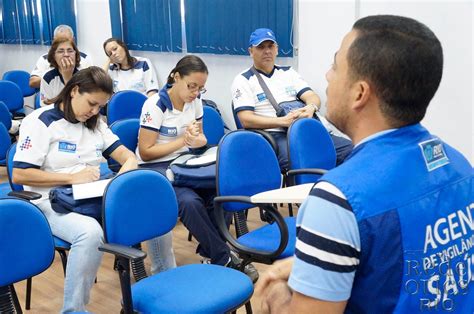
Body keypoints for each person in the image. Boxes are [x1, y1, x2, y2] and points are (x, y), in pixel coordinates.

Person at [255, 15, 473, 313]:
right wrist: (318, 266)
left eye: (335, 66)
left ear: (359, 93)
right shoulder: (458, 165)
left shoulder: (337, 200)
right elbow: (405, 261)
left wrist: (279, 296)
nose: (328, 76)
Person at [12, 67, 175, 312]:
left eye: (100, 106)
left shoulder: (95, 123)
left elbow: (128, 157)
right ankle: (73, 310)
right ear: (74, 91)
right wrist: (71, 178)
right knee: (89, 233)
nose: (94, 111)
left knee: (152, 210)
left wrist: (119, 184)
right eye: (91, 103)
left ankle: (164, 281)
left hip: (93, 195)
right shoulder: (41, 121)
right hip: (49, 200)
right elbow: (20, 174)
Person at [137, 55, 258, 281]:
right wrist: (183, 141)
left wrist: (196, 139)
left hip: (186, 162)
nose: (195, 92)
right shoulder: (155, 105)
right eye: (192, 86)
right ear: (176, 77)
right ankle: (223, 256)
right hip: (156, 168)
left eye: (200, 88)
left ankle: (212, 254)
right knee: (190, 202)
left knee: (221, 193)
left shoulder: (195, 101)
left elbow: (201, 138)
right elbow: (145, 152)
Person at [231, 28, 353, 169]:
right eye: (261, 47)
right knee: (304, 159)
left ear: (277, 49)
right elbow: (245, 120)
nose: (267, 51)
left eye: (271, 46)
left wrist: (310, 108)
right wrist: (282, 121)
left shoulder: (288, 72)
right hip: (275, 134)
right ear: (251, 51)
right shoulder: (243, 80)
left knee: (350, 150)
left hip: (303, 128)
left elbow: (312, 96)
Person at [29, 25, 93, 89]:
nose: (66, 54)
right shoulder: (44, 59)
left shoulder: (85, 59)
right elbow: (32, 82)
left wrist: (70, 76)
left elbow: (92, 83)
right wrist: (53, 78)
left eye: (67, 40)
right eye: (59, 41)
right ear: (54, 41)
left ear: (73, 40)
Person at [39, 37, 82, 105]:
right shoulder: (48, 78)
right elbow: (45, 106)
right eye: (60, 51)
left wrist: (67, 78)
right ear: (54, 56)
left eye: (70, 51)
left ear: (75, 54)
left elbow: (80, 106)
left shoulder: (84, 77)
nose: (66, 55)